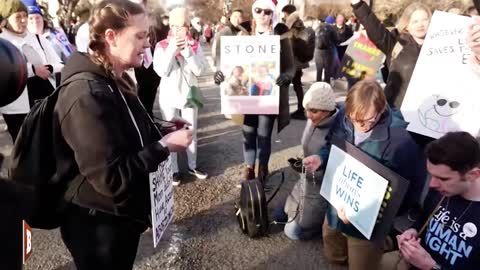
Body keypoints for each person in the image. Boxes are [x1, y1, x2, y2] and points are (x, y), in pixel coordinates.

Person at [52, 1, 192, 269]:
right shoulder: (86, 94)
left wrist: (161, 131)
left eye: (147, 36)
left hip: (120, 216)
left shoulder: (118, 78)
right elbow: (110, 178)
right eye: (140, 36)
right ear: (111, 37)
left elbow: (121, 134)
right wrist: (163, 147)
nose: (148, 44)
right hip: (98, 224)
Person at [303, 80, 427, 270]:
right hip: (338, 203)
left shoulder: (401, 141)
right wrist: (321, 158)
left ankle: (390, 246)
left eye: (367, 121)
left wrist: (364, 214)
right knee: (332, 250)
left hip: (366, 222)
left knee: (362, 264)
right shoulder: (344, 115)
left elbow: (406, 190)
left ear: (381, 109)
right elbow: (334, 146)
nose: (360, 126)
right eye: (354, 120)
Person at [215, 0, 295, 182]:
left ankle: (263, 167)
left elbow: (291, 67)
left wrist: (286, 76)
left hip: (268, 93)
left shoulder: (280, 36)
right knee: (248, 132)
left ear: (272, 14)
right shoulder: (243, 34)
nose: (262, 15)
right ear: (253, 12)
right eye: (258, 10)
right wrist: (220, 74)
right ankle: (249, 168)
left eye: (267, 12)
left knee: (264, 135)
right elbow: (229, 63)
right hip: (247, 94)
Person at [384, 132, 480, 270]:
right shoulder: (440, 190)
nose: (432, 184)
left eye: (443, 178)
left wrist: (431, 266)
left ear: (473, 175)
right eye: (431, 175)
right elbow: (425, 218)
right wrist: (413, 231)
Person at [153, 6, 208, 186]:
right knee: (171, 132)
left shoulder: (195, 45)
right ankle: (174, 170)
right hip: (168, 95)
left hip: (190, 94)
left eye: (181, 26)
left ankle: (193, 165)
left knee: (191, 131)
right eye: (174, 26)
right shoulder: (161, 46)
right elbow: (161, 70)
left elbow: (200, 70)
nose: (177, 30)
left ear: (188, 27)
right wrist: (171, 49)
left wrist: (187, 52)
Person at [278, 82, 340, 240]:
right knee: (279, 215)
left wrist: (321, 161)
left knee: (292, 232)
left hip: (322, 187)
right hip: (305, 181)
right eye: (306, 109)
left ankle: (320, 226)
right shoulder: (315, 118)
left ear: (328, 110)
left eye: (313, 111)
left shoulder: (340, 128)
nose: (307, 115)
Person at [0, 0, 63, 141]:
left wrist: (50, 68)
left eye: (25, 15)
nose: (23, 20)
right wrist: (33, 69)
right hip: (17, 109)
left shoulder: (37, 38)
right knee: (27, 149)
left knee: (53, 142)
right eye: (18, 17)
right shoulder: (2, 43)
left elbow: (59, 63)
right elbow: (4, 73)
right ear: (6, 20)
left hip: (46, 99)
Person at [283, 4, 315, 120]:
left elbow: (290, 44)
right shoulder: (300, 25)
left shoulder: (293, 26)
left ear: (289, 14)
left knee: (285, 85)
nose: (284, 16)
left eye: (285, 14)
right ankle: (300, 109)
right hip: (298, 61)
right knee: (297, 85)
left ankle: (288, 111)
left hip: (292, 61)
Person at [315, 16, 338, 82]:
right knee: (327, 70)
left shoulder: (317, 27)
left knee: (319, 70)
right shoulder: (332, 28)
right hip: (328, 51)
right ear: (332, 22)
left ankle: (317, 85)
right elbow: (336, 40)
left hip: (317, 51)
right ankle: (327, 85)